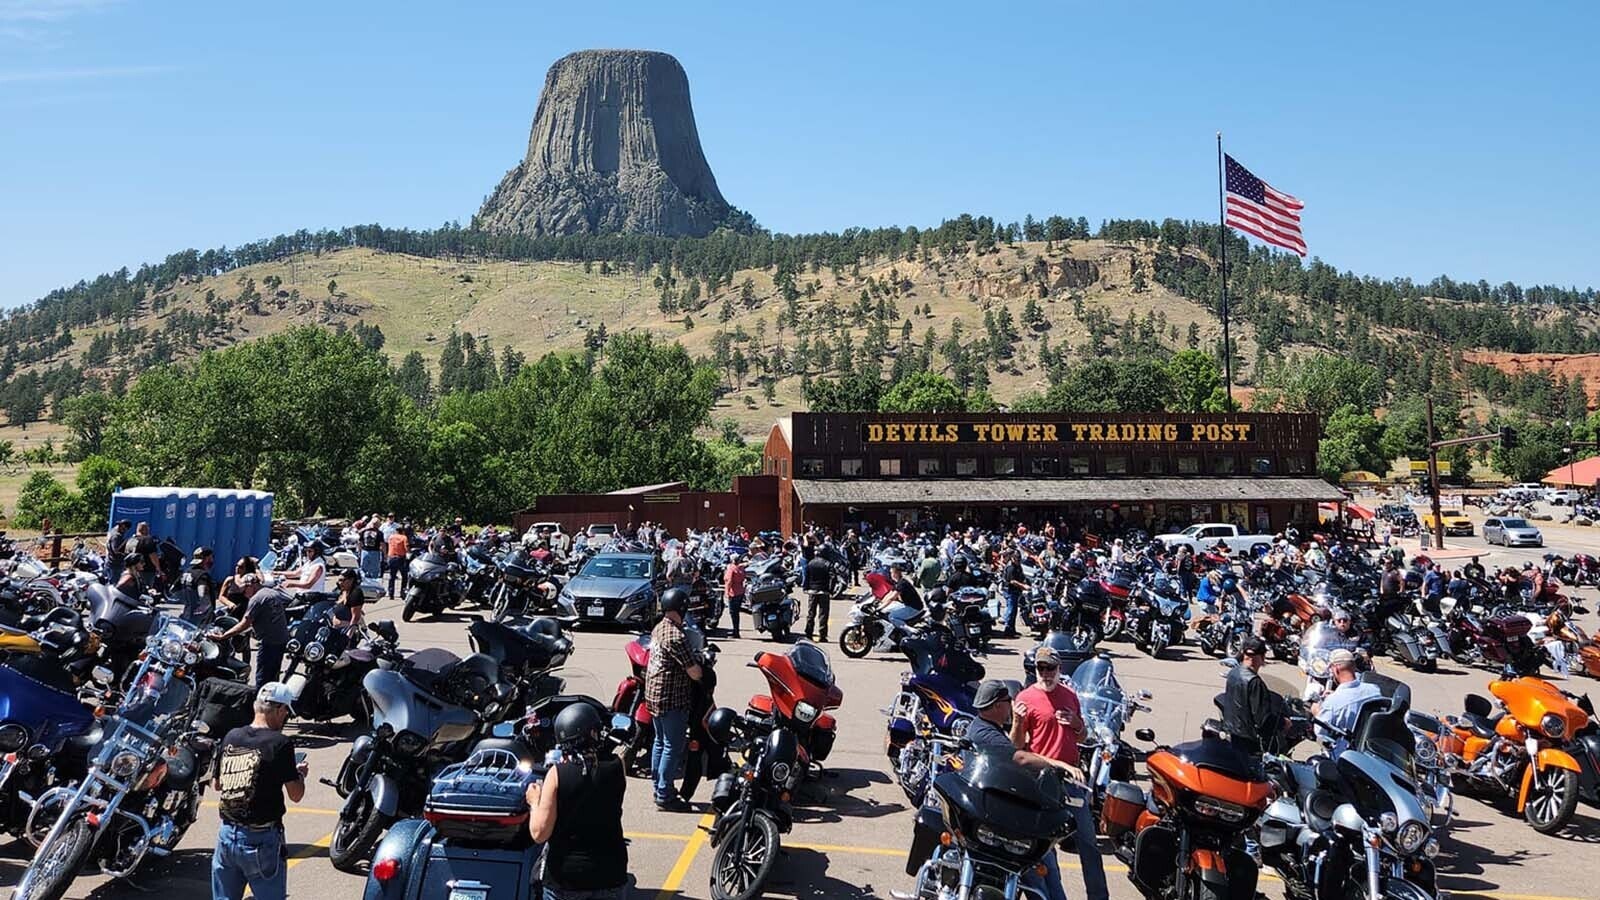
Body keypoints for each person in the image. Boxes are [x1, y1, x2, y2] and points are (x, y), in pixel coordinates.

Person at [1009, 650, 1109, 900]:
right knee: (1046, 846)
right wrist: (1018, 722)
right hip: (1041, 779)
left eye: (1050, 668)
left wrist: (1076, 723)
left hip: (1071, 779)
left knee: (1088, 842)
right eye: (1041, 668)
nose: (1045, 673)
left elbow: (1082, 735)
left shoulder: (1070, 695)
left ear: (1059, 669)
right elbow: (1017, 747)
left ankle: (1098, 896)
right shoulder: (1025, 698)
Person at [210, 682, 307, 900]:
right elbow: (296, 794)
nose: (285, 718)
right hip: (261, 839)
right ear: (279, 710)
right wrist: (299, 774)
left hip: (227, 835)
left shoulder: (232, 736)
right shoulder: (280, 743)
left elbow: (217, 784)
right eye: (286, 713)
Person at [525, 703, 629, 900]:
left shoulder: (557, 774)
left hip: (566, 879)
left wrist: (534, 801)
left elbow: (539, 833)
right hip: (610, 873)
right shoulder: (617, 766)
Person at [645, 587, 702, 811]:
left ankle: (658, 787)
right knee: (672, 746)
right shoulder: (676, 636)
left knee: (660, 742)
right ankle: (665, 794)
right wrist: (702, 667)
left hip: (654, 695)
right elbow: (694, 672)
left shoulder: (659, 628)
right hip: (671, 698)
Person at [211, 575, 292, 687]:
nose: (244, 594)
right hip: (281, 639)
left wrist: (224, 636)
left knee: (262, 677)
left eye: (244, 590)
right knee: (273, 673)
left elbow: (245, 623)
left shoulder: (256, 599)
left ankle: (260, 695)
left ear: (251, 585)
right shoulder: (272, 593)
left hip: (269, 642)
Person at [1221, 636, 1284, 754]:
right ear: (1262, 656)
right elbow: (1263, 719)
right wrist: (1283, 723)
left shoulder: (1233, 673)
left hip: (1233, 733)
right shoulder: (1254, 682)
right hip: (1249, 741)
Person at [1314, 649, 1382, 755]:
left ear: (1336, 669)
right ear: (1354, 667)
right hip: (1370, 751)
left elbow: (1320, 733)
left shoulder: (1333, 702)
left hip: (1343, 755)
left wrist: (1317, 712)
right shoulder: (1374, 690)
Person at [179, 546, 218, 624]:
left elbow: (173, 590)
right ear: (207, 559)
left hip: (187, 613)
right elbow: (202, 594)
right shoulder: (202, 575)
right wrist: (205, 608)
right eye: (211, 557)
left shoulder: (187, 572)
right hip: (200, 618)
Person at [885, 563, 925, 630]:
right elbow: (890, 594)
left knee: (891, 616)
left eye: (892, 572)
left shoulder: (902, 583)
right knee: (888, 610)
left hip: (914, 608)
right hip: (909, 605)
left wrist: (879, 608)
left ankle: (909, 631)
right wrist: (880, 603)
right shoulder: (898, 582)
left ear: (896, 573)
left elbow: (891, 598)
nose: (891, 574)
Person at [1000, 549, 1027, 637]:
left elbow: (1022, 576)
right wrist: (1023, 586)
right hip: (1009, 591)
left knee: (1014, 611)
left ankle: (1012, 629)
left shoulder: (1018, 566)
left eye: (1019, 559)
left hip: (1015, 591)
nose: (1018, 560)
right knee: (1011, 610)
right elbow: (1012, 581)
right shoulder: (1010, 567)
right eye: (1016, 559)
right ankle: (1007, 629)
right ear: (1012, 558)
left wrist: (1026, 582)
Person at [332, 567, 366, 633]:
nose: (339, 583)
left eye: (342, 580)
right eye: (339, 580)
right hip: (336, 629)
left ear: (351, 580)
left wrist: (348, 636)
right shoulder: (341, 590)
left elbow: (355, 618)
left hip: (349, 631)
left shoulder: (355, 593)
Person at [723, 554, 746, 639]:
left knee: (733, 613)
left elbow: (729, 581)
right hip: (740, 591)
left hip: (733, 592)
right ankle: (736, 630)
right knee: (736, 613)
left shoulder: (731, 568)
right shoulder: (741, 568)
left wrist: (726, 592)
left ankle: (736, 631)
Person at [133, 522, 161, 589]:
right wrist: (158, 568)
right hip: (146, 570)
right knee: (146, 589)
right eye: (147, 528)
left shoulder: (131, 540)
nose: (148, 530)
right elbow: (153, 555)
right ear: (144, 530)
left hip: (132, 570)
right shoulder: (147, 540)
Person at [385, 525, 410, 599]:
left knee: (392, 576)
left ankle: (391, 593)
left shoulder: (391, 537)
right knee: (404, 576)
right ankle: (402, 593)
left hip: (392, 557)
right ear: (403, 531)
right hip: (401, 558)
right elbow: (406, 547)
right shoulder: (404, 537)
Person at [106, 519, 132, 583]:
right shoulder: (117, 536)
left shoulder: (112, 532)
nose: (125, 530)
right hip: (115, 563)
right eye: (124, 528)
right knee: (114, 584)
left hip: (111, 562)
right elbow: (116, 550)